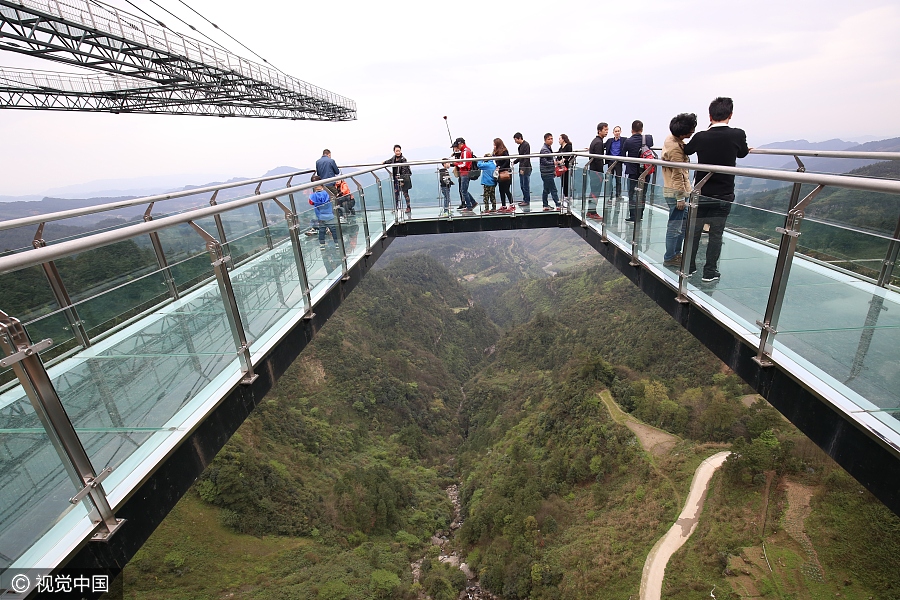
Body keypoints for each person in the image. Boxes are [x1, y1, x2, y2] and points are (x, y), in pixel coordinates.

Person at [684, 97, 751, 282]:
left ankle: (688, 267)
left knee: (694, 231)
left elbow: (688, 150)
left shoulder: (701, 136)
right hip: (724, 193)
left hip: (701, 192)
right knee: (716, 233)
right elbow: (743, 153)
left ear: (710, 115)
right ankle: (709, 271)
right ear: (730, 115)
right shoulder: (737, 134)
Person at [661, 113, 697, 267]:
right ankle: (670, 257)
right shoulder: (675, 148)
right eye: (691, 130)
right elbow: (677, 174)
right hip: (676, 192)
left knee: (679, 224)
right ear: (683, 132)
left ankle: (675, 253)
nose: (692, 132)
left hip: (674, 191)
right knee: (675, 226)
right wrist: (680, 197)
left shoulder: (672, 140)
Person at [621, 120, 654, 222]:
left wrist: (628, 163)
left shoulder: (628, 141)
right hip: (645, 171)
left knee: (632, 193)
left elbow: (622, 155)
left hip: (632, 171)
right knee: (643, 193)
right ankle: (640, 214)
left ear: (632, 130)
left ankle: (633, 216)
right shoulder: (648, 138)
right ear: (642, 129)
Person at [308, 176, 339, 250]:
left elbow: (311, 202)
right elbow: (333, 198)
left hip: (321, 216)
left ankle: (322, 244)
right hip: (330, 215)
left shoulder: (314, 196)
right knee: (333, 230)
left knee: (322, 231)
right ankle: (337, 243)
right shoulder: (327, 193)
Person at [587, 123, 608, 218]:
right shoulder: (599, 143)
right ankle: (592, 212)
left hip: (593, 170)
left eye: (607, 129)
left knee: (593, 191)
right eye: (605, 130)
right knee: (595, 192)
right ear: (599, 130)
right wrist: (601, 173)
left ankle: (590, 211)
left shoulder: (595, 141)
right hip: (596, 171)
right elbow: (598, 159)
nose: (606, 131)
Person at [383, 144, 412, 213]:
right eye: (396, 151)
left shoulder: (403, 159)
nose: (398, 152)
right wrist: (384, 162)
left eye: (399, 151)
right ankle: (396, 208)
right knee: (396, 194)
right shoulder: (394, 158)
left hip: (402, 179)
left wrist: (403, 180)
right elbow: (390, 161)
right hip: (396, 179)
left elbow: (405, 170)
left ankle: (408, 207)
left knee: (405, 193)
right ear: (394, 151)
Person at [453, 137, 477, 212]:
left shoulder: (465, 151)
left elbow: (465, 164)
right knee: (464, 190)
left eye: (458, 145)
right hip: (465, 172)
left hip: (465, 173)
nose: (457, 147)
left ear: (461, 144)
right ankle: (472, 202)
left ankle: (469, 206)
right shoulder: (465, 151)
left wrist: (456, 163)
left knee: (463, 191)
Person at [539, 133, 560, 211]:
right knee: (553, 189)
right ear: (545, 140)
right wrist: (554, 163)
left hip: (547, 172)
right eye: (549, 139)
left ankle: (545, 205)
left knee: (546, 189)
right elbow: (544, 162)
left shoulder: (548, 148)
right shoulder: (544, 150)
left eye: (552, 138)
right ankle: (558, 204)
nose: (551, 140)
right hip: (546, 172)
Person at [604, 126, 625, 200]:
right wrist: (590, 148)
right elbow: (602, 145)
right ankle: (610, 196)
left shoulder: (623, 140)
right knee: (610, 180)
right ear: (613, 133)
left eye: (618, 131)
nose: (617, 133)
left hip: (618, 162)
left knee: (618, 180)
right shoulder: (610, 141)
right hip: (611, 162)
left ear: (620, 132)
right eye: (616, 131)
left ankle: (618, 195)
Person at [493, 138, 513, 212]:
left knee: (506, 189)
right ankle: (503, 205)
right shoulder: (496, 152)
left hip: (506, 172)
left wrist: (501, 167)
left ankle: (511, 204)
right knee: (501, 189)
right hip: (500, 173)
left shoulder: (504, 151)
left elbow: (507, 161)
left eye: (495, 144)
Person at [513, 133, 532, 207]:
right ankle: (525, 199)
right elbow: (521, 157)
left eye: (515, 140)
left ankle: (527, 200)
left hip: (526, 168)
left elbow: (526, 158)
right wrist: (515, 161)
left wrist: (523, 169)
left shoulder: (526, 145)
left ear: (519, 138)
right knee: (522, 185)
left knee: (525, 185)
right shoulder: (520, 146)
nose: (515, 142)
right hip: (521, 167)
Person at [556, 134, 574, 202]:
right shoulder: (561, 147)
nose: (559, 140)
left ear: (563, 139)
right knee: (563, 181)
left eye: (560, 139)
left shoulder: (568, 146)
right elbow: (558, 155)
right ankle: (565, 195)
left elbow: (569, 155)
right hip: (562, 167)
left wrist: (564, 160)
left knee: (567, 181)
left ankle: (568, 196)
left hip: (567, 166)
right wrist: (557, 161)